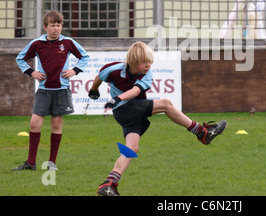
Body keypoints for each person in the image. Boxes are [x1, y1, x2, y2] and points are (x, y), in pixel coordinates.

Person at [88, 41, 227, 196]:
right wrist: (94, 90)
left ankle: (109, 184)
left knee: (131, 149)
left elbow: (135, 91)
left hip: (130, 109)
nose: (148, 65)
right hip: (125, 109)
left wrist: (117, 98)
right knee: (166, 104)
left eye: (150, 61)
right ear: (133, 61)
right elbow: (99, 77)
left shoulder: (147, 74)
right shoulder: (114, 68)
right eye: (144, 61)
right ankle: (202, 132)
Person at [13, 11, 89, 171]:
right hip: (43, 91)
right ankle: (31, 163)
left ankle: (51, 163)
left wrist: (75, 70)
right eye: (53, 26)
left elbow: (84, 57)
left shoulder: (68, 42)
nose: (56, 29)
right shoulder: (37, 43)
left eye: (59, 25)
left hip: (61, 91)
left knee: (56, 124)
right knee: (34, 123)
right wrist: (31, 72)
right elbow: (20, 58)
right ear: (45, 27)